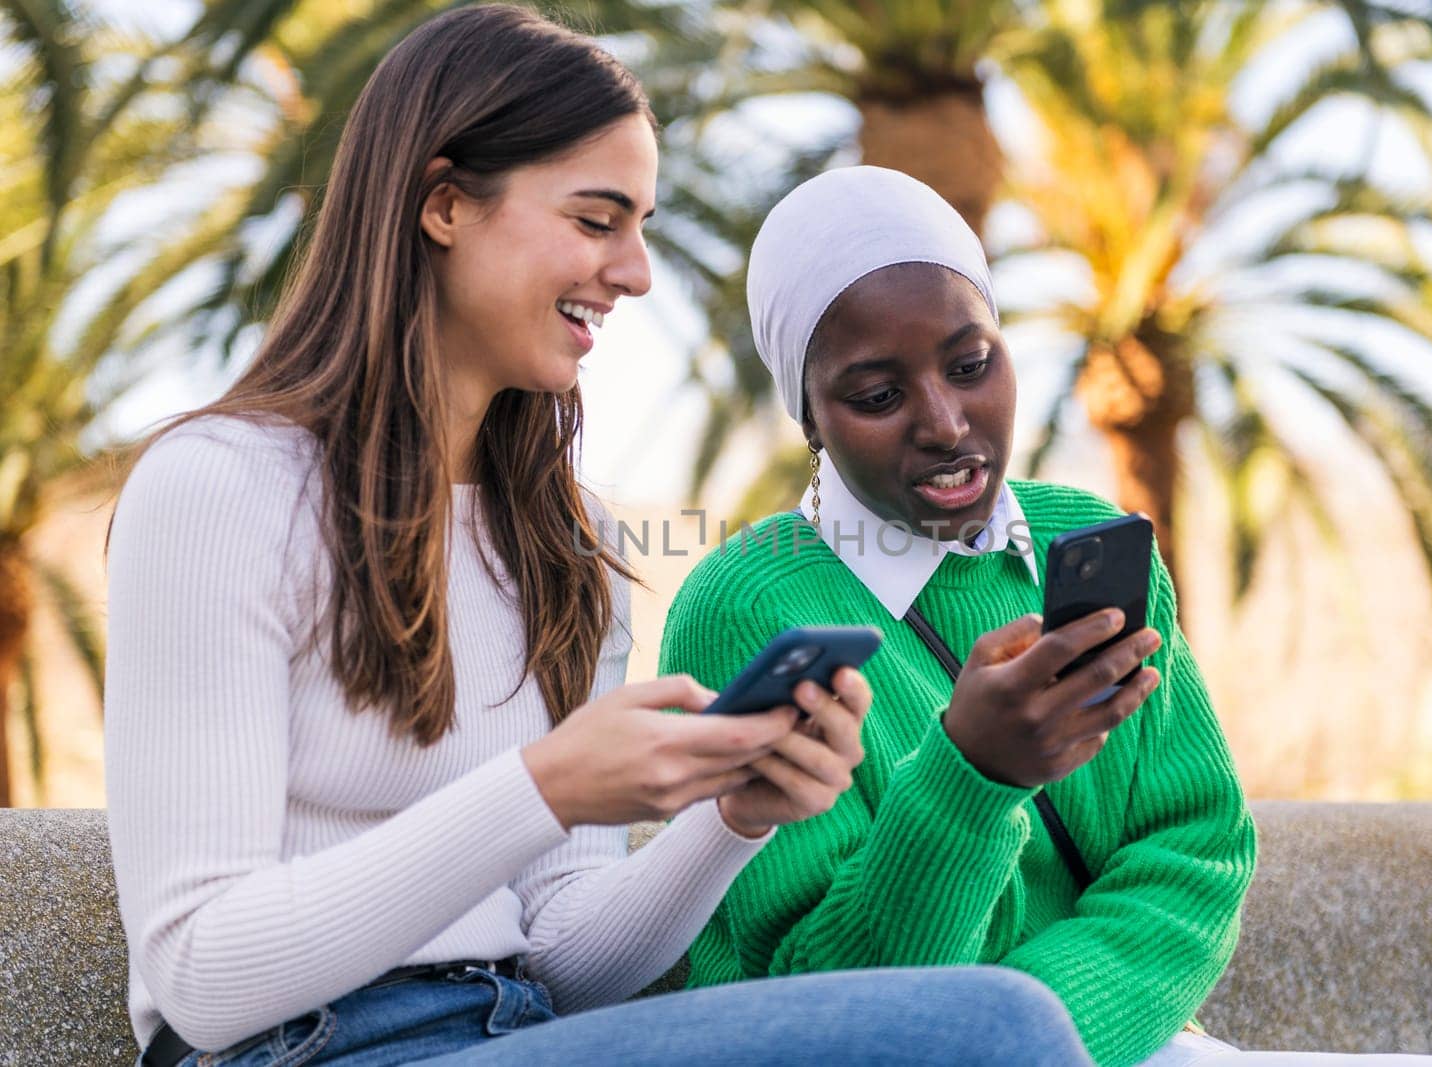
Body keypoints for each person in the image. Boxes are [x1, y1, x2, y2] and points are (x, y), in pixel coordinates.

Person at [103, 11, 1092, 1067]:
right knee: (998, 1026)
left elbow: (569, 958)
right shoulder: (219, 487)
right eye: (595, 219)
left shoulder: (566, 541)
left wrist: (731, 817)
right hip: (301, 1050)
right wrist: (545, 784)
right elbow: (203, 978)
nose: (635, 271)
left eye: (641, 224)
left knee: (990, 1021)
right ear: (443, 204)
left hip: (516, 1033)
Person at [658, 166, 1432, 1067]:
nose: (945, 421)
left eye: (971, 365)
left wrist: (1040, 1037)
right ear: (810, 419)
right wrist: (971, 775)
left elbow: (1195, 849)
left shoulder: (1084, 540)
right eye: (877, 396)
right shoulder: (747, 607)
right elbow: (817, 1010)